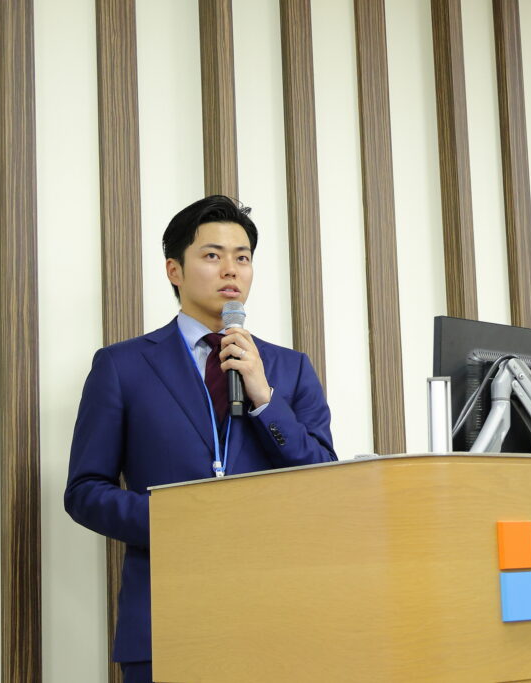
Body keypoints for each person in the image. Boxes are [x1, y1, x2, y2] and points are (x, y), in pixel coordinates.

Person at [64, 195, 337, 683]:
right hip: (165, 616)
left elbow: (324, 482)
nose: (231, 269)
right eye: (212, 255)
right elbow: (85, 491)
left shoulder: (290, 369)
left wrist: (265, 399)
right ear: (174, 270)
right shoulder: (122, 366)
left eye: (242, 257)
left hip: (277, 615)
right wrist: (182, 522)